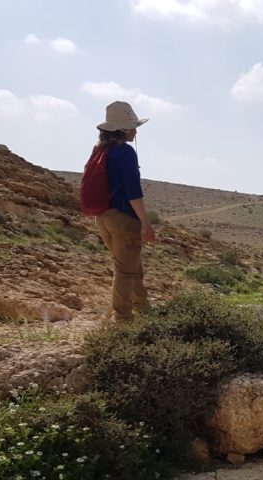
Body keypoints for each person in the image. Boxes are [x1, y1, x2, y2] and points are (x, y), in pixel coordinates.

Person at [92, 101, 155, 321]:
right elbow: (133, 192)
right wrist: (146, 223)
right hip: (123, 218)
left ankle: (144, 310)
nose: (135, 131)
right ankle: (122, 319)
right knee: (126, 270)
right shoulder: (125, 152)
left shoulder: (101, 151)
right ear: (122, 129)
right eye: (131, 127)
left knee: (130, 265)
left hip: (103, 217)